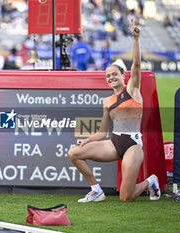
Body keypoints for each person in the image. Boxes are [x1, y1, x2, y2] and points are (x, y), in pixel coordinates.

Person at [68, 19, 160, 203]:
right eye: (107, 76)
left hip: (132, 146)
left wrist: (136, 39)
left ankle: (151, 181)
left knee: (126, 198)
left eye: (114, 74)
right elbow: (102, 132)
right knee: (74, 153)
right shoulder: (107, 101)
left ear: (123, 76)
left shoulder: (132, 90)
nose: (111, 78)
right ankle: (96, 191)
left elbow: (137, 65)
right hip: (113, 143)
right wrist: (85, 141)